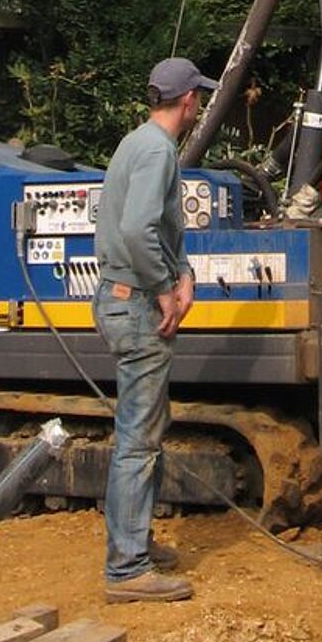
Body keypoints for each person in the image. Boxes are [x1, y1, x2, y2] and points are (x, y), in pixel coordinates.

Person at [93, 55, 216, 601]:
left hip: (132, 296)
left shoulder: (139, 143)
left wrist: (183, 272)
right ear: (188, 101)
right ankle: (127, 568)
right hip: (137, 302)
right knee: (139, 440)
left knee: (146, 428)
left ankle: (136, 540)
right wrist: (165, 289)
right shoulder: (157, 153)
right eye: (200, 97)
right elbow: (139, 228)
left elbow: (160, 229)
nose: (201, 104)